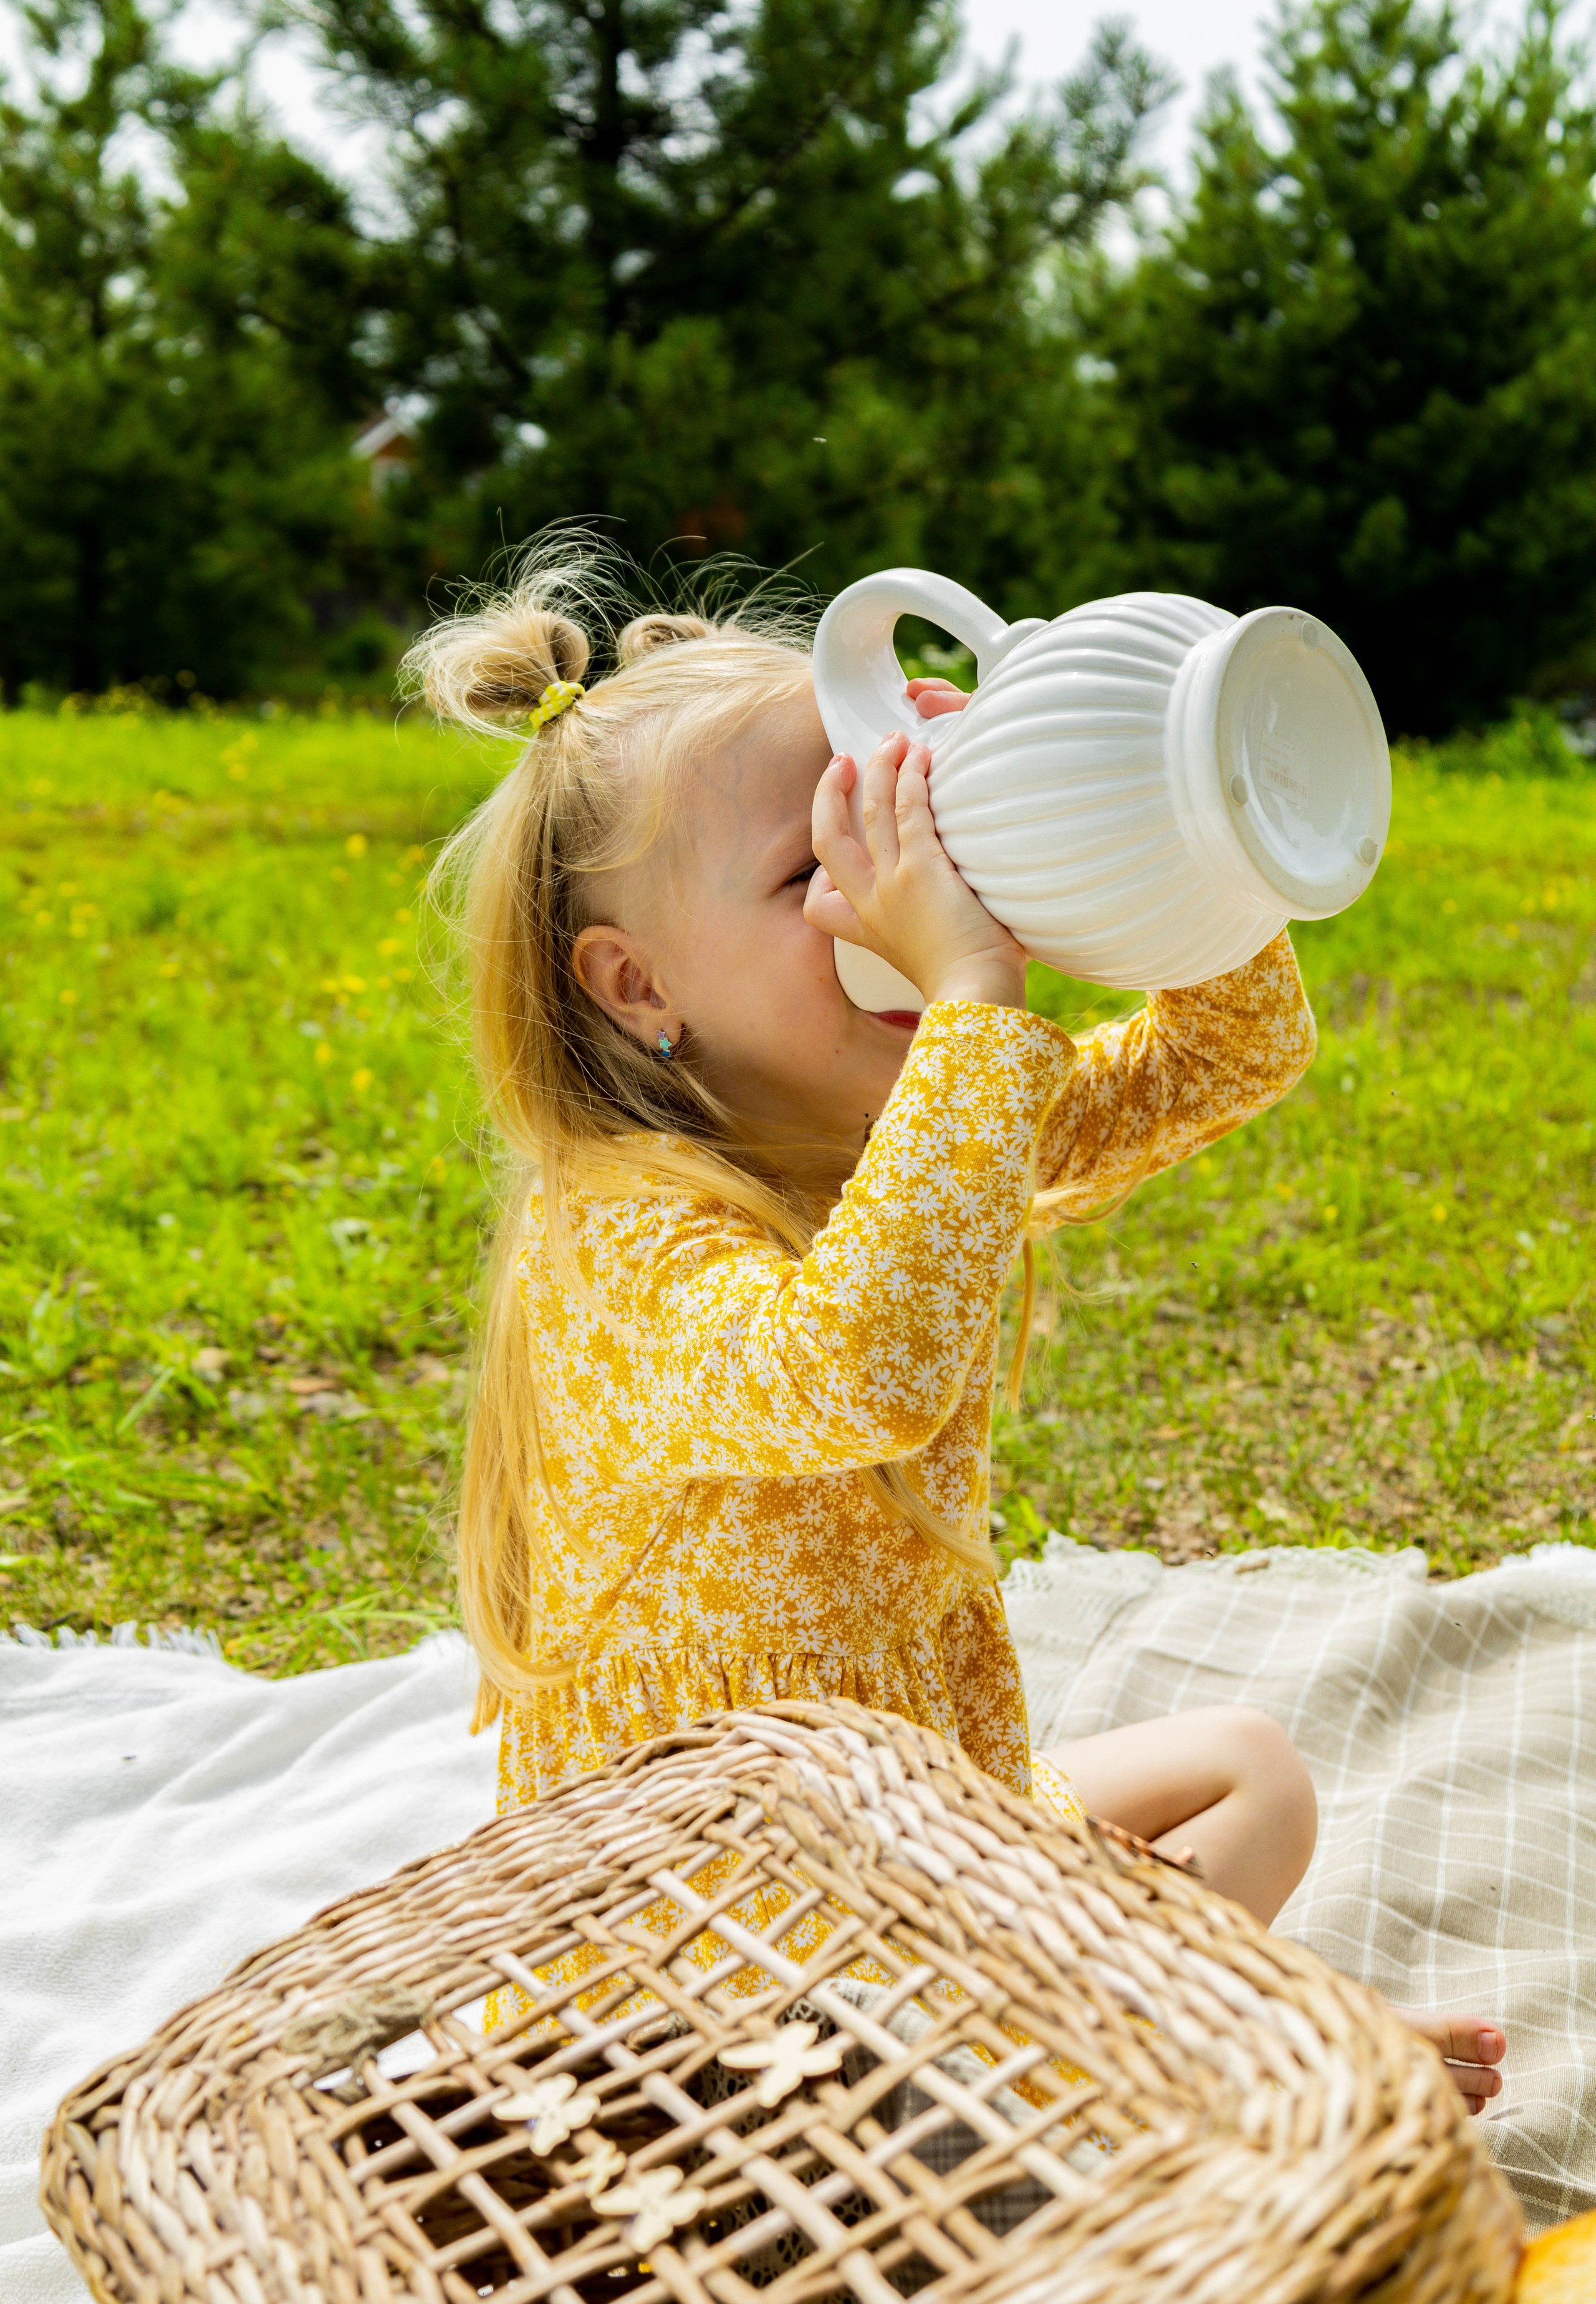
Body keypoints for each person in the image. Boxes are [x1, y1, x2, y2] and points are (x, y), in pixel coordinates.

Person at [410, 541, 1504, 2114]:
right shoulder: (617, 1233)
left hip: (928, 1831)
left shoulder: (914, 1120)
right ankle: (1222, 2041)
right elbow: (863, 1367)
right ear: (636, 983)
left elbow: (1234, 1049)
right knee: (885, 2087)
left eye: (902, 820)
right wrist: (975, 1003)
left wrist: (1065, 836)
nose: (891, 890)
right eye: (815, 869)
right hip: (716, 1939)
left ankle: (1157, 2024)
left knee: (1250, 1768)